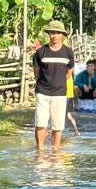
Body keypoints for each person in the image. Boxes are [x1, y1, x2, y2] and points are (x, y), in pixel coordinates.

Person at [33, 20, 75, 150]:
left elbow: (69, 72)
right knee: (40, 122)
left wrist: (59, 82)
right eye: (52, 32)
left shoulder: (68, 52)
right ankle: (40, 149)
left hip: (60, 93)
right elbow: (37, 72)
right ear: (48, 34)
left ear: (62, 35)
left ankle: (55, 150)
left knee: (57, 124)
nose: (54, 35)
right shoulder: (40, 52)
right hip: (42, 92)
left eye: (57, 33)